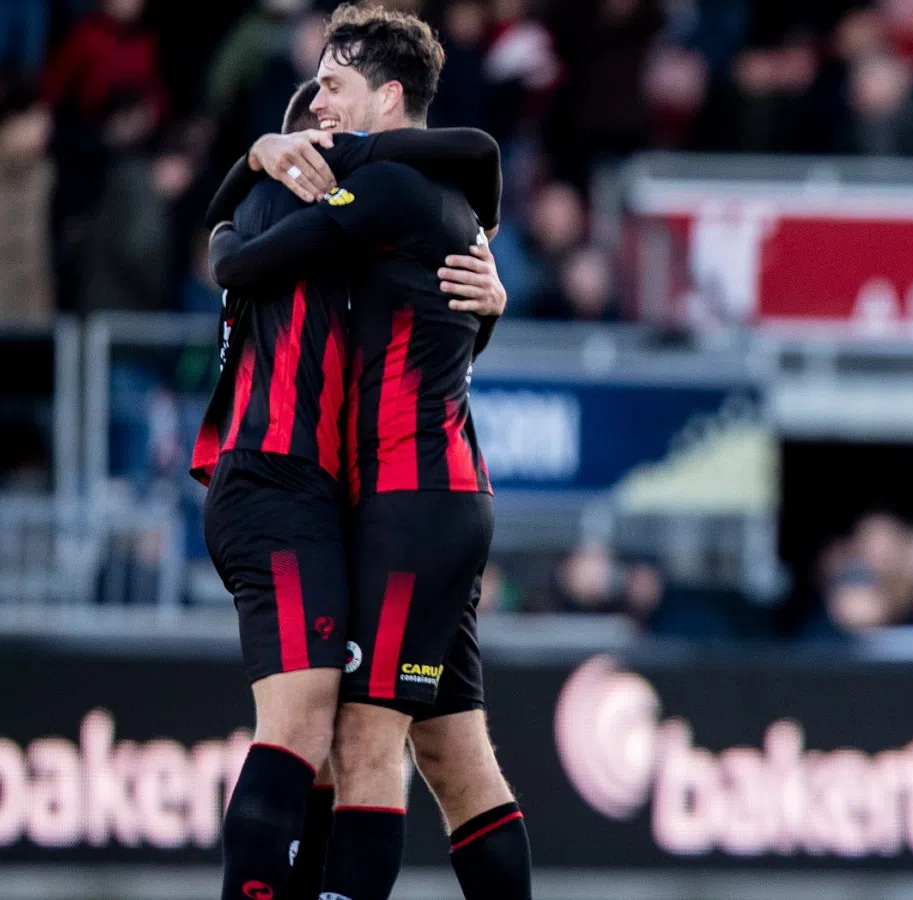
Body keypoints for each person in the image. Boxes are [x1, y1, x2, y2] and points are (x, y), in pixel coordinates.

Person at [209, 7, 528, 899]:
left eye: (335, 92)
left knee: (359, 740)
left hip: (408, 498)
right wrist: (489, 302)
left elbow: (236, 261)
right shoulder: (434, 206)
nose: (319, 116)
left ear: (388, 99)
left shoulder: (378, 185)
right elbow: (443, 331)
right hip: (421, 497)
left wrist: (249, 166)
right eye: (310, 102)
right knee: (452, 752)